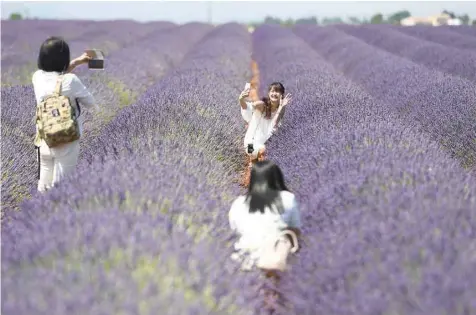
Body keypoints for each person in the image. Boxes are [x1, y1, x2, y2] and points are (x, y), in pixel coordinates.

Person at [32, 36, 97, 192]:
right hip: (66, 139)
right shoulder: (71, 80)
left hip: (44, 138)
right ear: (64, 59)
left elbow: (54, 78)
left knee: (44, 184)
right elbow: (91, 103)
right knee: (61, 186)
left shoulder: (37, 77)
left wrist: (74, 63)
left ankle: (40, 213)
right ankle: (56, 212)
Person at [228, 160, 301, 272]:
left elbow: (234, 231)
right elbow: (295, 231)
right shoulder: (287, 198)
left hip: (244, 258)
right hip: (274, 258)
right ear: (277, 178)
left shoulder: (238, 203)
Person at [238, 82, 291, 186]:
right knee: (254, 152)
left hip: (265, 141)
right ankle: (251, 167)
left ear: (282, 95)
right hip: (250, 142)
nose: (275, 94)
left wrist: (280, 108)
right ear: (269, 93)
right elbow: (247, 107)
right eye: (272, 91)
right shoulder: (261, 104)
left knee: (264, 154)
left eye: (278, 91)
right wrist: (241, 99)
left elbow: (274, 125)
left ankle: (256, 173)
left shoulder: (281, 109)